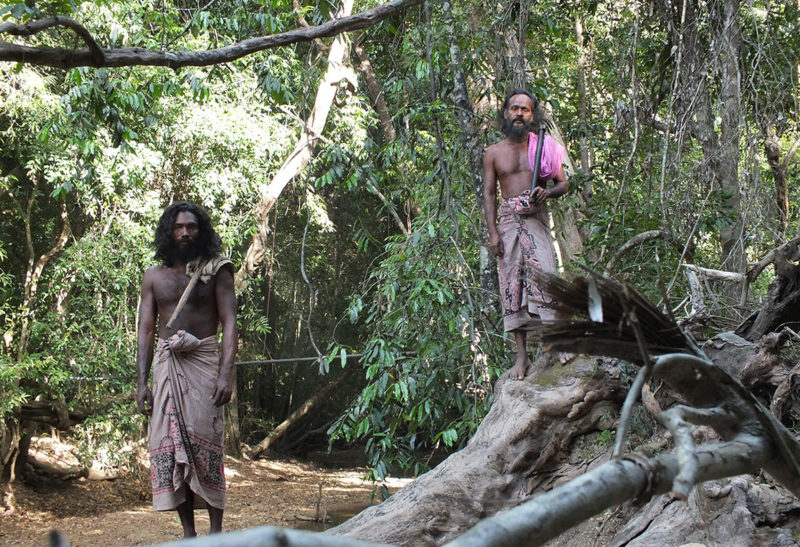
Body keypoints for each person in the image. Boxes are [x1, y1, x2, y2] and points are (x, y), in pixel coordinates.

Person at [136, 201, 237, 538]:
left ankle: (217, 532)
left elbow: (229, 321)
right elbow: (147, 330)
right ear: (169, 231)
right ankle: (188, 534)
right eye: (178, 227)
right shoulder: (154, 277)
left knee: (207, 444)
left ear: (201, 230)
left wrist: (226, 373)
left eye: (191, 226)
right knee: (172, 446)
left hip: (205, 364)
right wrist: (141, 384)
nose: (184, 233)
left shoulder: (217, 270)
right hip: (166, 369)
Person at [483, 89, 569, 380]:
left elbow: (563, 184)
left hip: (536, 217)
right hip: (507, 222)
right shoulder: (493, 153)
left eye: (526, 110)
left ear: (533, 115)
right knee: (511, 289)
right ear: (506, 113)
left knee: (546, 276)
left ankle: (557, 342)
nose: (520, 113)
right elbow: (489, 194)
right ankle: (522, 358)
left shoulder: (543, 146)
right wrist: (493, 233)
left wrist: (548, 191)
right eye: (515, 108)